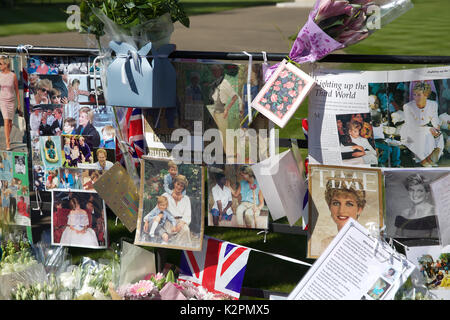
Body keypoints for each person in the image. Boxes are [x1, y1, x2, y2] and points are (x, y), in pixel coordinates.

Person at [400, 82, 444, 167]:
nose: (416, 97)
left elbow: (435, 120)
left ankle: (430, 159)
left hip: (426, 128)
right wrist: (428, 129)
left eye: (419, 95)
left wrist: (436, 130)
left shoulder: (433, 104)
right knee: (425, 134)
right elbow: (411, 124)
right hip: (410, 130)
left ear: (426, 95)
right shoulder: (407, 106)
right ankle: (422, 160)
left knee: (439, 135)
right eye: (414, 95)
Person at [321, 177, 367, 251]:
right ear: (329, 206)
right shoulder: (325, 244)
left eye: (349, 204)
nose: (341, 211)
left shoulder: (367, 244)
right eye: (336, 203)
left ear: (359, 209)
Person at [393, 174, 438, 238]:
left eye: (419, 191)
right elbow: (397, 239)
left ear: (427, 193)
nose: (415, 194)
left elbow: (437, 242)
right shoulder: (404, 213)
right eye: (411, 190)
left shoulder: (435, 211)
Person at [206, 64, 240, 150]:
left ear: (220, 71)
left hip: (221, 113)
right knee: (211, 134)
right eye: (212, 71)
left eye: (215, 70)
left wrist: (227, 110)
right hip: (212, 112)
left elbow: (234, 97)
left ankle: (227, 156)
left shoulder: (224, 83)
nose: (213, 72)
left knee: (223, 136)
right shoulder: (214, 83)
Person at [162, 175, 192, 245]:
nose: (179, 187)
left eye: (181, 186)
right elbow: (159, 210)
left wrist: (181, 223)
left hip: (181, 222)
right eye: (178, 184)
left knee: (185, 230)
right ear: (174, 183)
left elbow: (187, 214)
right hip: (168, 222)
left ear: (184, 188)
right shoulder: (165, 195)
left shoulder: (186, 198)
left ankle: (180, 249)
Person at [0, 56, 21, 150]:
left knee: (10, 122)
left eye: (0, 64)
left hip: (12, 101)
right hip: (2, 100)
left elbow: (16, 90)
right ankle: (7, 142)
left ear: (6, 64)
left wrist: (19, 103)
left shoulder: (13, 76)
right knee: (6, 120)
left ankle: (8, 137)